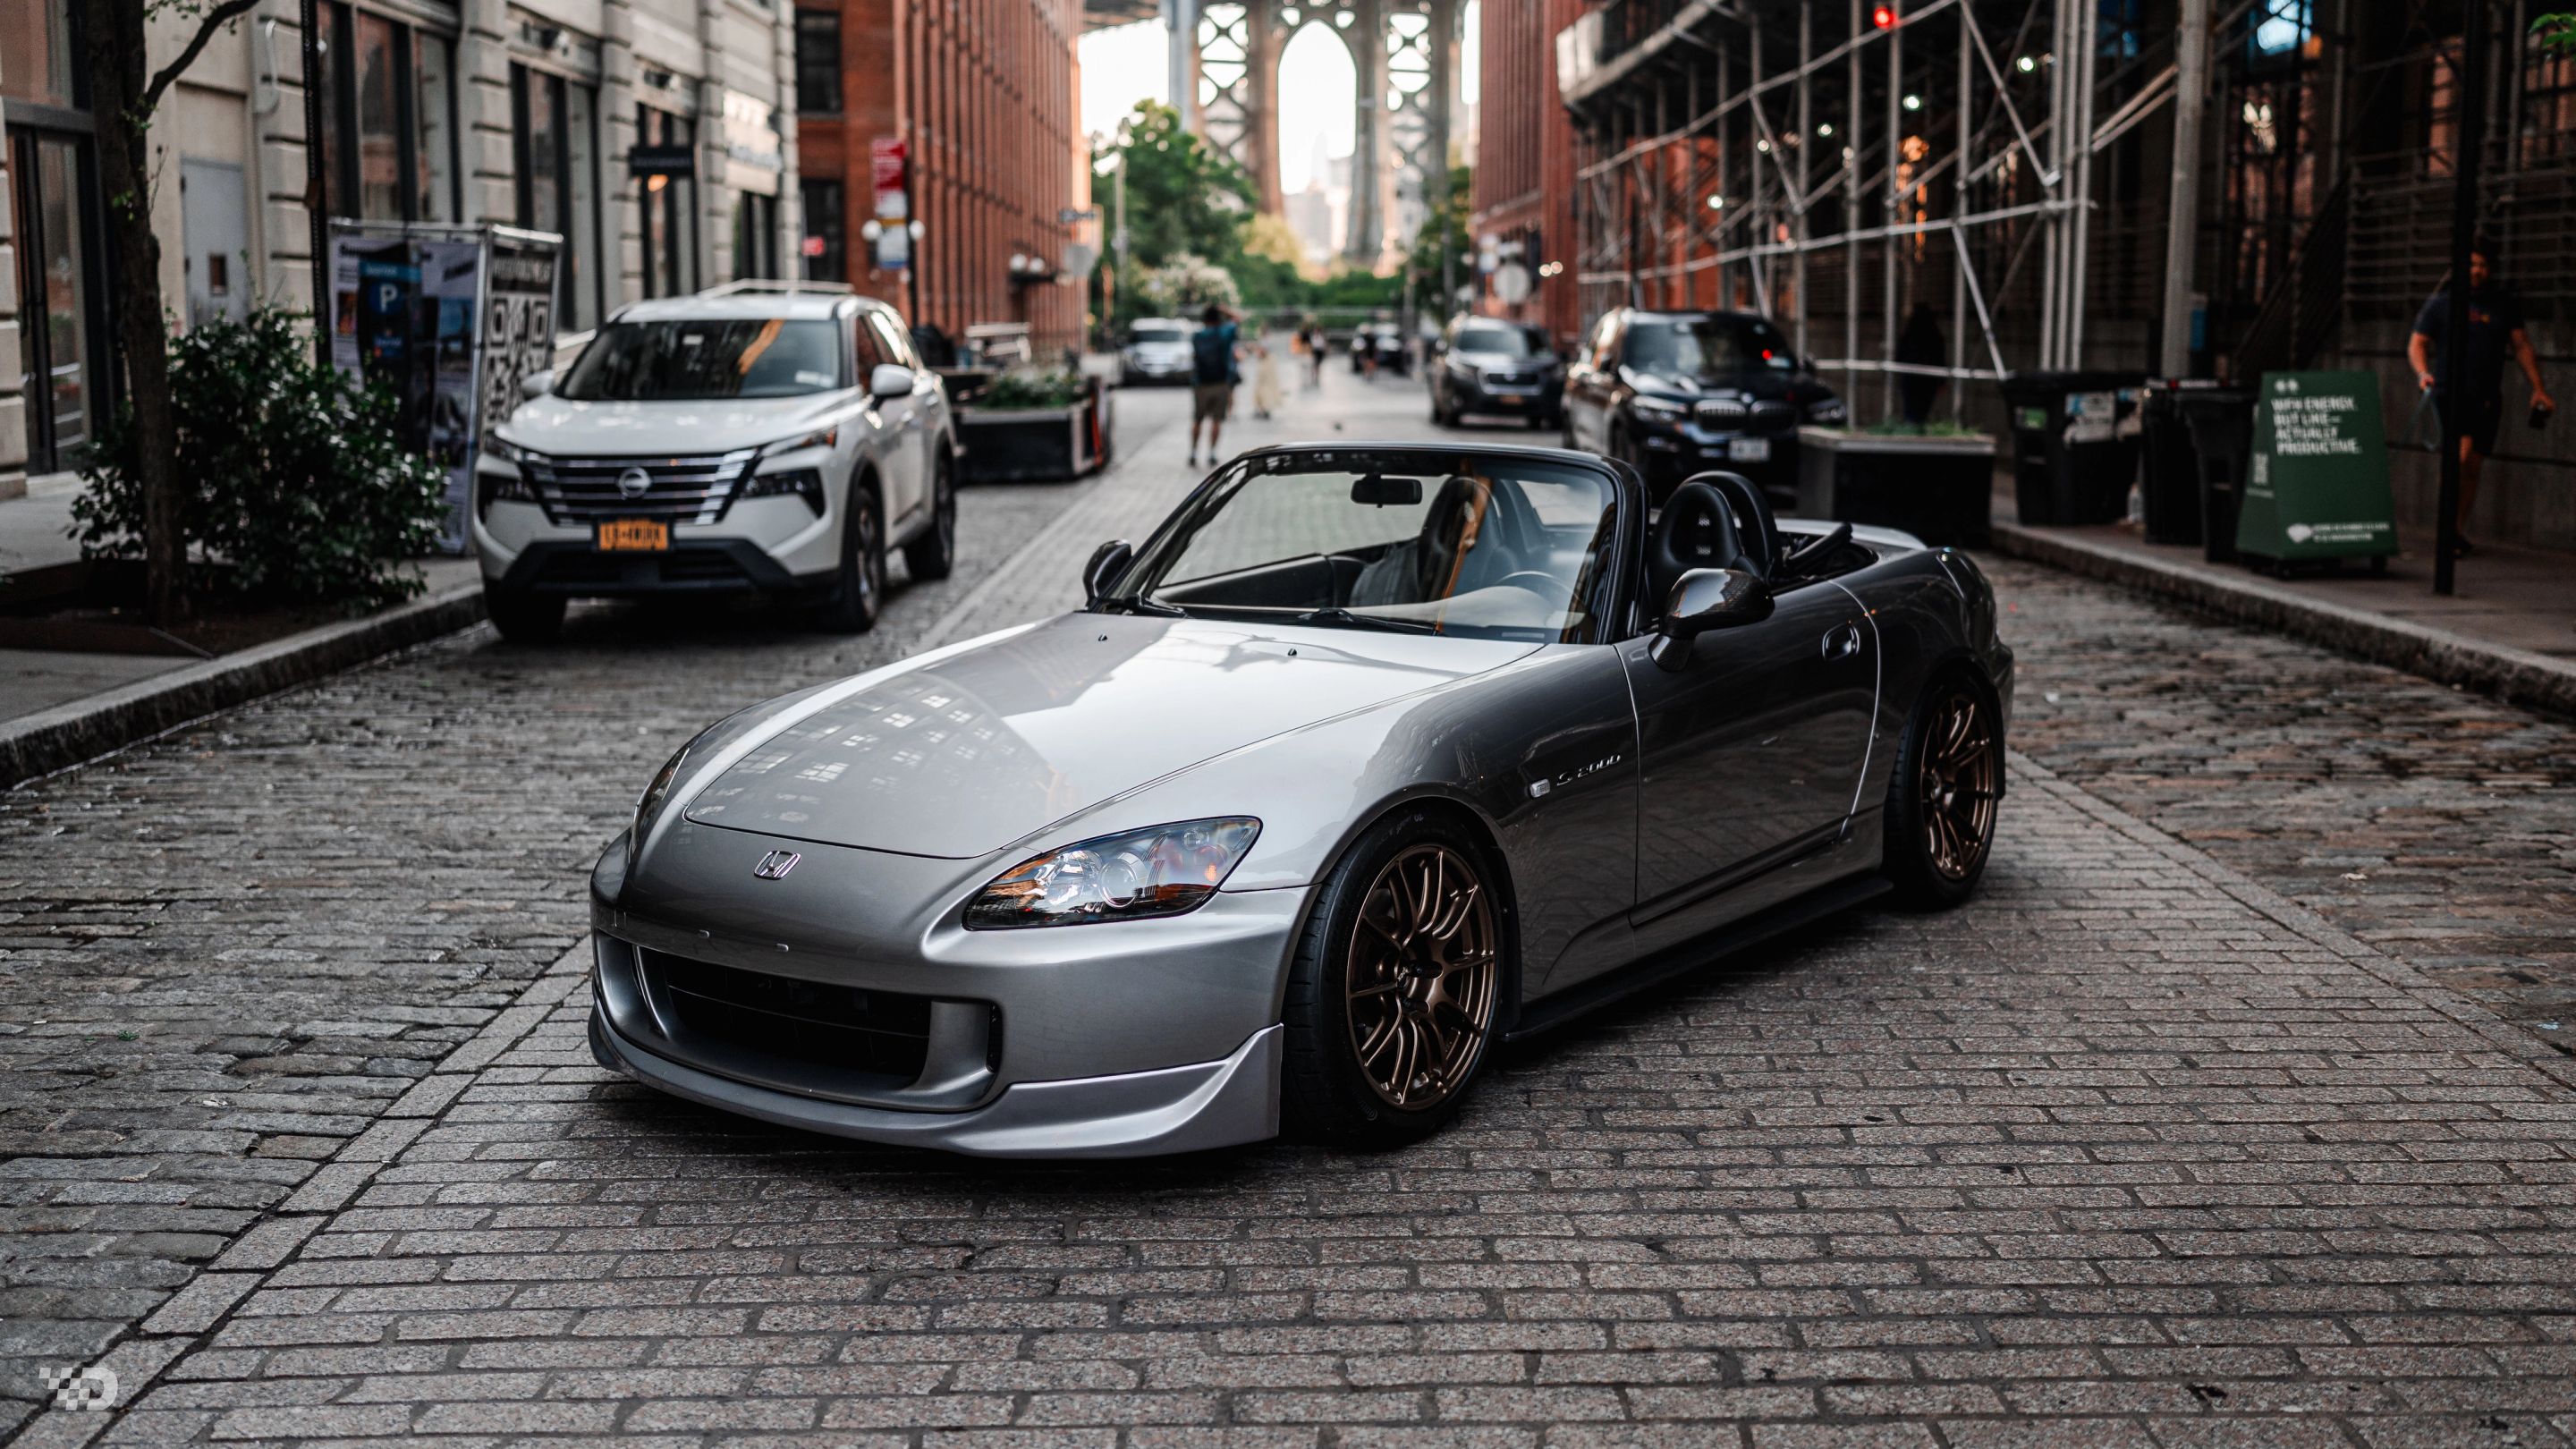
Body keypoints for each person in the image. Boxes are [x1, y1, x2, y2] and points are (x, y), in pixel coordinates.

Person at [2407, 240, 2555, 555]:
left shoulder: (2502, 305)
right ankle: (2448, 531)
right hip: (2449, 392)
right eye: (2472, 264)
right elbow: (2417, 343)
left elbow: (2522, 346)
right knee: (2460, 457)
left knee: (2473, 465)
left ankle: (2456, 530)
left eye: (2483, 265)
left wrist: (2538, 388)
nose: (2477, 271)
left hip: (2486, 396)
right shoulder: (2442, 304)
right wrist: (2423, 375)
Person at [1188, 303, 1241, 467]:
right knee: (1217, 420)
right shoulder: (1224, 334)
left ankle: (1193, 453)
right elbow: (1237, 319)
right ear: (1218, 319)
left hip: (1200, 383)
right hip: (1220, 383)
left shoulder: (1197, 336)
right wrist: (1224, 309)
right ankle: (1212, 453)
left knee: (1198, 419)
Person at [1895, 303, 1946, 427]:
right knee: (1922, 409)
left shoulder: (1909, 334)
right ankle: (1917, 426)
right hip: (1928, 378)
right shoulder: (1935, 335)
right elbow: (1940, 359)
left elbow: (1900, 355)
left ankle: (1912, 426)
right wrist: (1942, 381)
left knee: (1911, 409)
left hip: (1912, 376)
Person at [1251, 335, 1284, 419]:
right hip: (1262, 379)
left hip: (1266, 380)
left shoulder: (1270, 359)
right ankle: (1262, 409)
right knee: (1260, 394)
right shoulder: (1263, 357)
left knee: (1265, 394)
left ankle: (1265, 409)